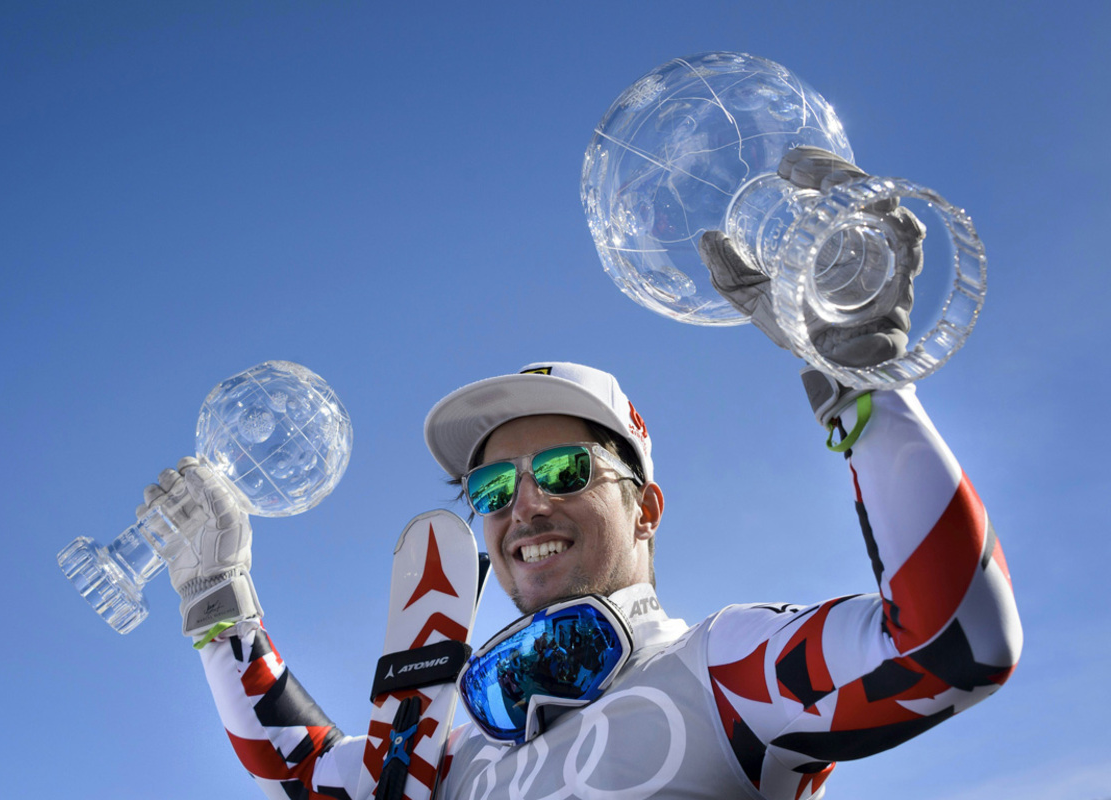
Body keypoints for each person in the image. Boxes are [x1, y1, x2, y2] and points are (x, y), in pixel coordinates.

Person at [140, 149, 1022, 799]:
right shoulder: (450, 758)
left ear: (647, 509)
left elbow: (952, 646)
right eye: (489, 490)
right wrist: (219, 602)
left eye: (564, 469)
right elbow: (300, 768)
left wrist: (860, 387)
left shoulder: (717, 673)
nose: (523, 504)